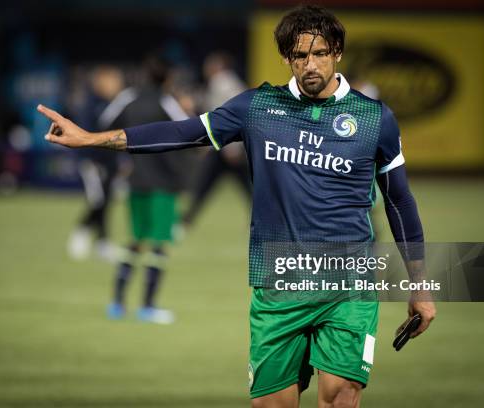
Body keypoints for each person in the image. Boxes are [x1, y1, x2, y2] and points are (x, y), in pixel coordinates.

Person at [37, 5, 436, 407]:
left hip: (347, 285)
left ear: (337, 52)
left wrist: (420, 285)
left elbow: (399, 200)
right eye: (299, 56)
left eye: (319, 54)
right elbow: (183, 132)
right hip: (278, 287)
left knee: (339, 397)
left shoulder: (374, 119)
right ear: (286, 58)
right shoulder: (257, 108)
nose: (309, 64)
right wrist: (92, 138)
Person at [101, 55, 189, 325]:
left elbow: (105, 124)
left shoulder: (127, 97)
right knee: (158, 244)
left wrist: (122, 160)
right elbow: (189, 129)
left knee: (135, 240)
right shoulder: (166, 101)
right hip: (163, 183)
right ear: (167, 78)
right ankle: (148, 307)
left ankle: (116, 303)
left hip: (135, 180)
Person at [181, 52, 252, 226]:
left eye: (209, 65)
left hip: (228, 147)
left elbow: (231, 116)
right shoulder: (227, 82)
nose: (206, 68)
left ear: (217, 66)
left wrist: (232, 149)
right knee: (244, 187)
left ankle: (186, 221)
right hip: (228, 146)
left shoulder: (222, 82)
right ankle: (186, 219)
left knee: (205, 185)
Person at [67, 65, 125, 261]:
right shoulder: (91, 104)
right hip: (91, 161)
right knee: (97, 200)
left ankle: (102, 243)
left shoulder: (114, 104)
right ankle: (81, 232)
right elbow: (84, 135)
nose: (117, 85)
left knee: (107, 201)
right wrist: (90, 160)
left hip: (109, 161)